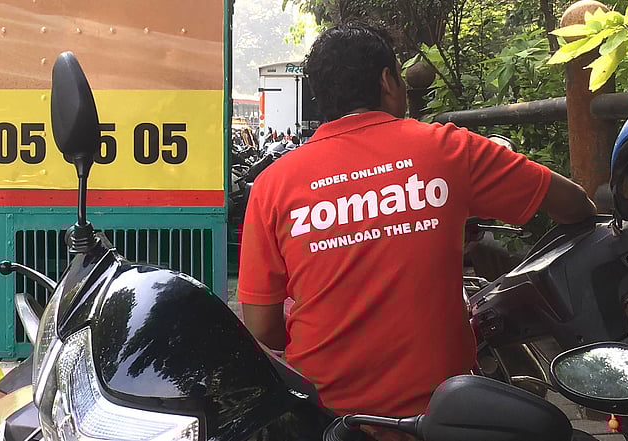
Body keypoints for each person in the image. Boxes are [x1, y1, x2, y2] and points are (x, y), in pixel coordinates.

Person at [237, 24, 596, 419]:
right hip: (440, 415)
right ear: (388, 80)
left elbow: (262, 326)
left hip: (327, 415)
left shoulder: (272, 184)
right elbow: (573, 203)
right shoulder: (448, 149)